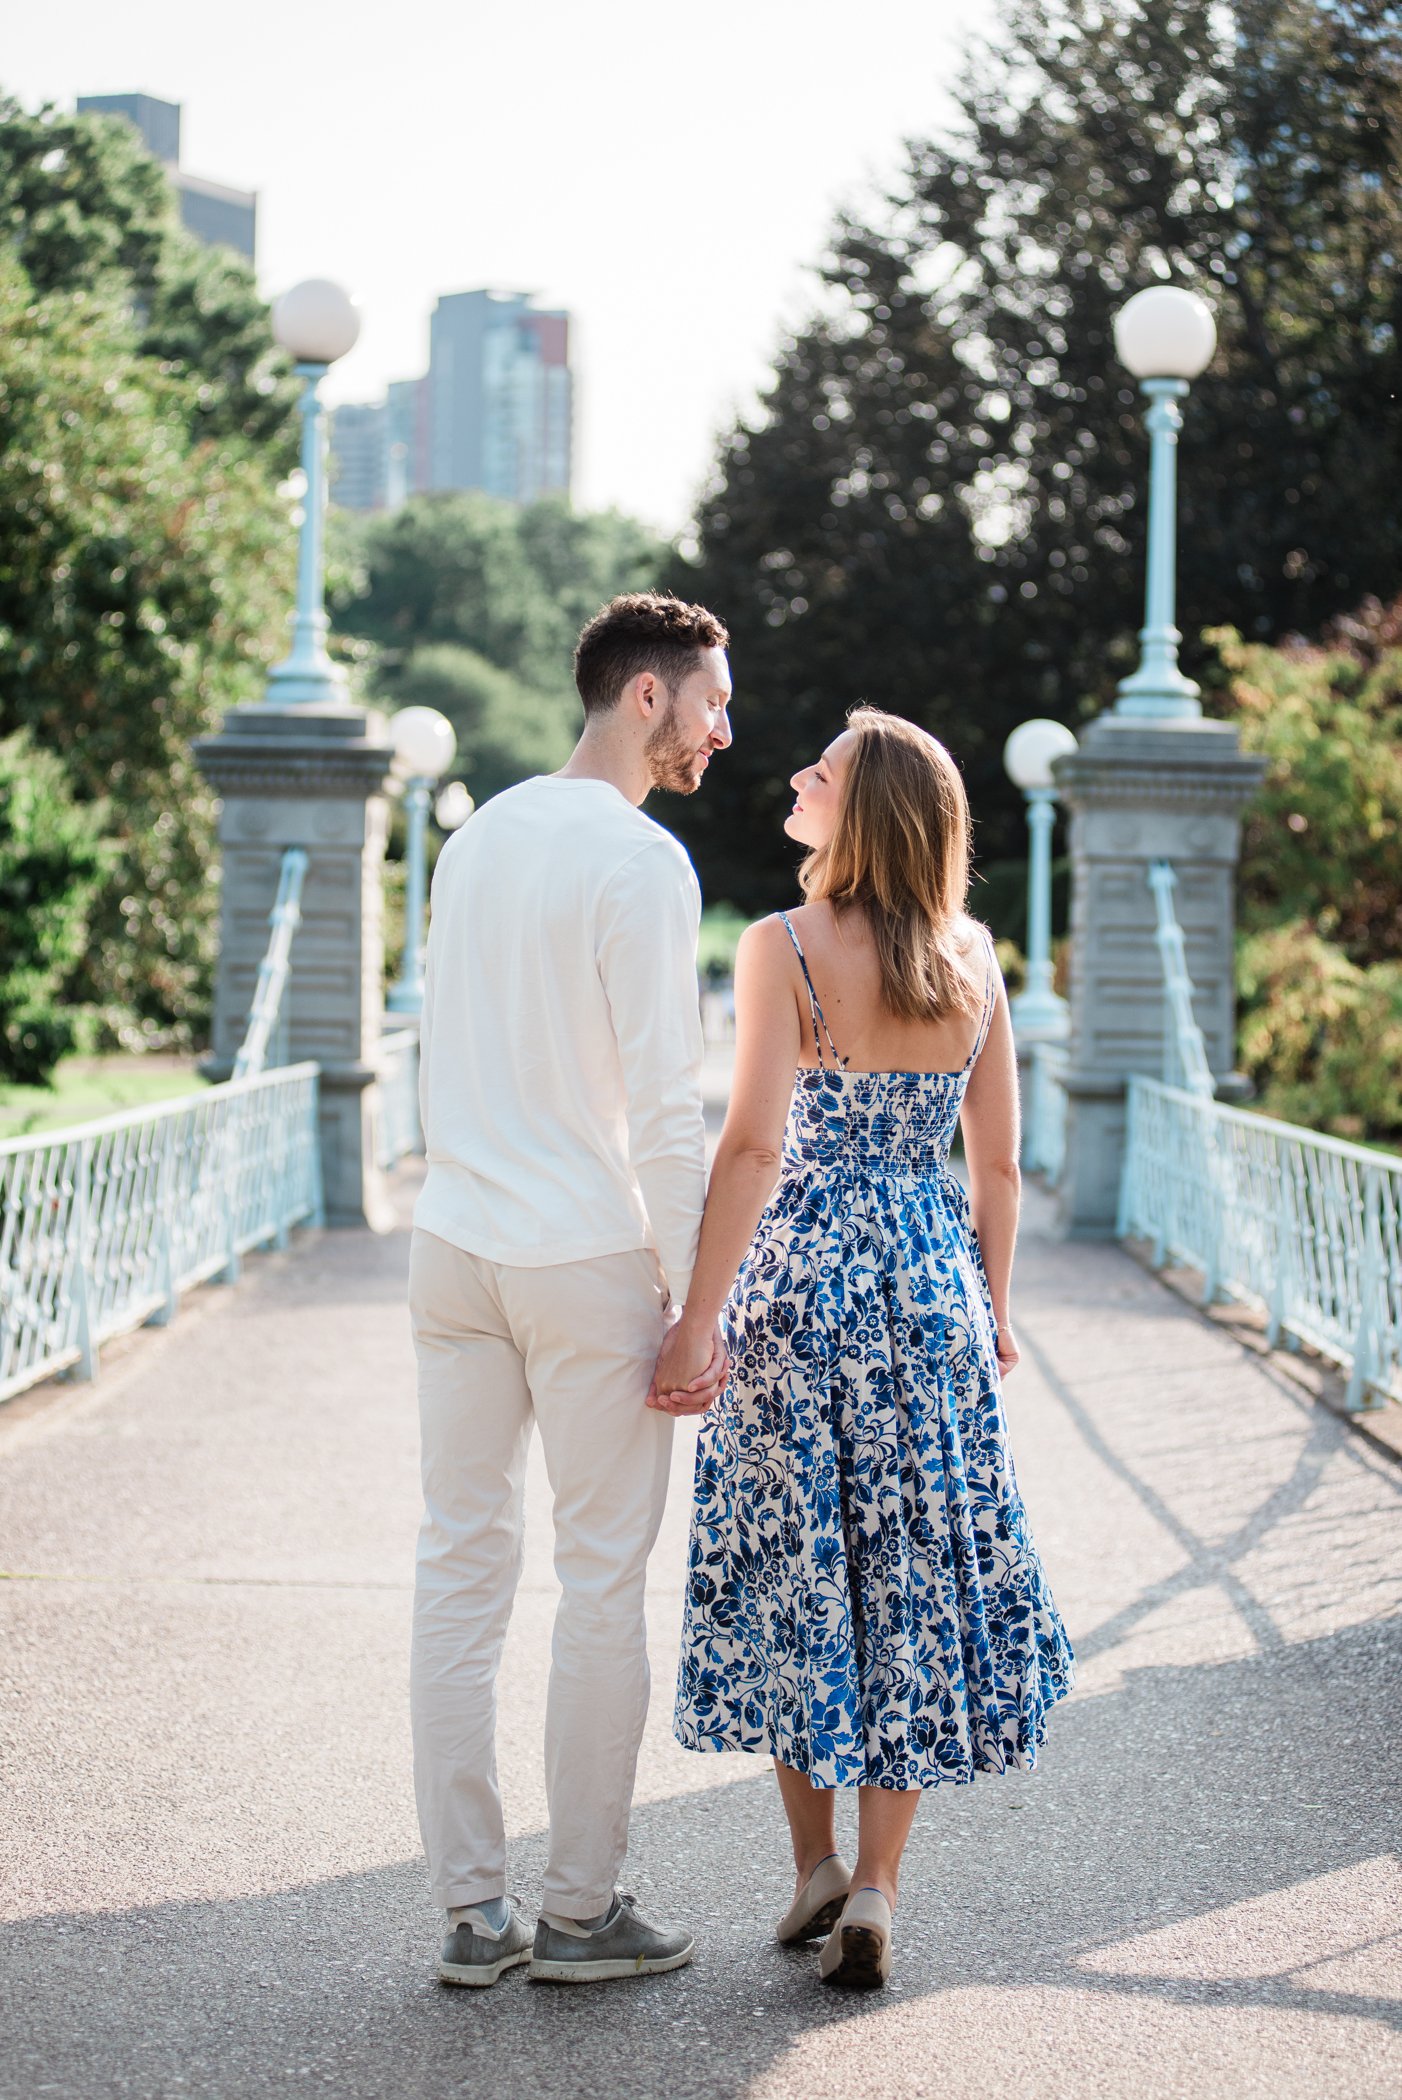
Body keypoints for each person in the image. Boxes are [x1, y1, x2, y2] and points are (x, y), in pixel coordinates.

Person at [658, 706, 1074, 1992]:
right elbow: (994, 1166)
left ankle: (814, 1868)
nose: (796, 775)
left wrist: (697, 1312)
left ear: (863, 808)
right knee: (906, 1584)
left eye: (820, 771)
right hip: (927, 1286)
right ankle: (880, 1888)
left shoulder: (780, 945)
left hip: (799, 1288)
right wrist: (992, 1307)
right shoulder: (974, 962)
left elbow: (752, 1147)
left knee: (797, 1570)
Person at [409, 592, 733, 1988]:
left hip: (453, 1245)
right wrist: (694, 1297)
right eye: (713, 701)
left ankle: (471, 1915)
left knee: (457, 1571)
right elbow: (668, 1110)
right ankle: (582, 1911)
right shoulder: (641, 860)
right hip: (582, 1255)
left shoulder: (474, 834)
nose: (728, 728)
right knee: (601, 1584)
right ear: (646, 697)